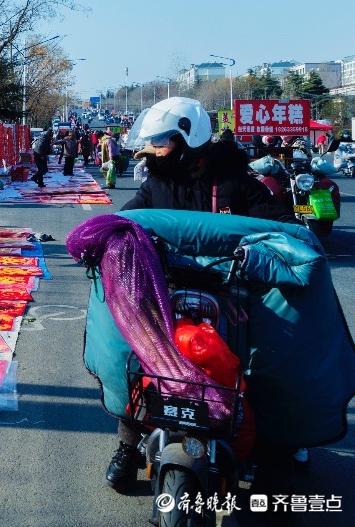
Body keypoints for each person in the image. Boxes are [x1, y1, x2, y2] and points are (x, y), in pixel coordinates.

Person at [103, 96, 295, 494]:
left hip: (233, 300)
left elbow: (281, 224)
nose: (152, 151)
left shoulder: (236, 182)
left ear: (188, 137)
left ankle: (272, 443)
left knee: (260, 367)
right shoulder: (157, 183)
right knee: (142, 362)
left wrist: (268, 244)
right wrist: (107, 233)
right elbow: (129, 217)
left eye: (161, 142)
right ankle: (128, 445)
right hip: (169, 296)